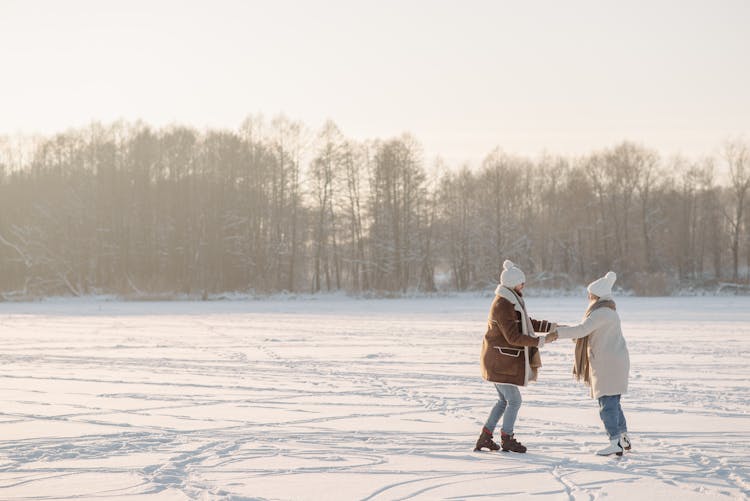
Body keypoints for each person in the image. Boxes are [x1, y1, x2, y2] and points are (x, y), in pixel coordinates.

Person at [475, 260, 558, 453]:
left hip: (500, 360)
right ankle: (507, 438)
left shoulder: (511, 300)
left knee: (504, 401)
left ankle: (485, 437)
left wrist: (552, 327)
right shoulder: (503, 305)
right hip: (499, 361)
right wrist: (541, 341)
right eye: (522, 282)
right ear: (513, 283)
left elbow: (525, 323)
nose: (524, 285)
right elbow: (513, 337)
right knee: (514, 400)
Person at [554, 271, 632, 456]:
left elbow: (582, 330)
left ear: (596, 295)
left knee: (607, 405)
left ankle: (615, 442)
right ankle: (623, 438)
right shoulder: (605, 311)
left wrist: (557, 333)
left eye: (590, 293)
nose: (588, 296)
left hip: (608, 363)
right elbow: (586, 331)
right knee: (614, 402)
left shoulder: (602, 312)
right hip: (613, 361)